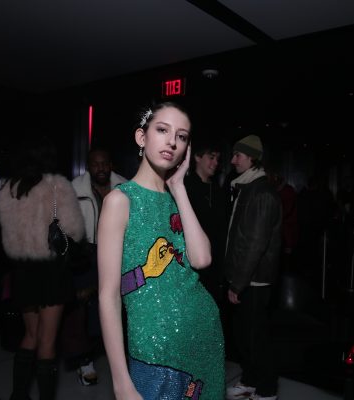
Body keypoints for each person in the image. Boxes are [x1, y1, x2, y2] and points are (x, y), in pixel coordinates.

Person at [98, 101, 225, 400]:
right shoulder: (120, 201)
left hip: (204, 339)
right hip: (154, 351)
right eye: (163, 130)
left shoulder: (177, 199)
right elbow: (108, 295)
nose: (172, 142)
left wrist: (178, 187)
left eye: (182, 136)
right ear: (141, 137)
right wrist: (121, 382)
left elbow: (202, 259)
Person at [0, 136, 84, 400]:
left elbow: (5, 231)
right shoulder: (57, 186)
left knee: (30, 335)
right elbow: (75, 231)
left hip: (22, 271)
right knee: (47, 341)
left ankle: (18, 395)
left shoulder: (8, 188)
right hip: (51, 271)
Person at [62, 147, 126, 386]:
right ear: (88, 166)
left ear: (111, 164)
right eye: (96, 164)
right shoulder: (74, 188)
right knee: (81, 307)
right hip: (85, 253)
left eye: (105, 163)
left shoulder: (125, 187)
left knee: (112, 305)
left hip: (116, 252)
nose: (101, 168)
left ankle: (113, 353)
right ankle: (84, 360)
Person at [224, 134, 282, 400]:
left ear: (252, 158)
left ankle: (267, 389)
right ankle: (250, 379)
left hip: (254, 280)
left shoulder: (261, 192)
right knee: (243, 336)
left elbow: (255, 244)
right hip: (245, 277)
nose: (232, 160)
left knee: (256, 338)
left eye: (238, 155)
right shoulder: (246, 187)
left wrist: (238, 283)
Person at [184, 137, 226, 305]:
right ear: (197, 157)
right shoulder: (184, 188)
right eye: (211, 157)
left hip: (215, 266)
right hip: (191, 265)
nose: (216, 163)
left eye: (217, 159)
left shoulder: (218, 191)